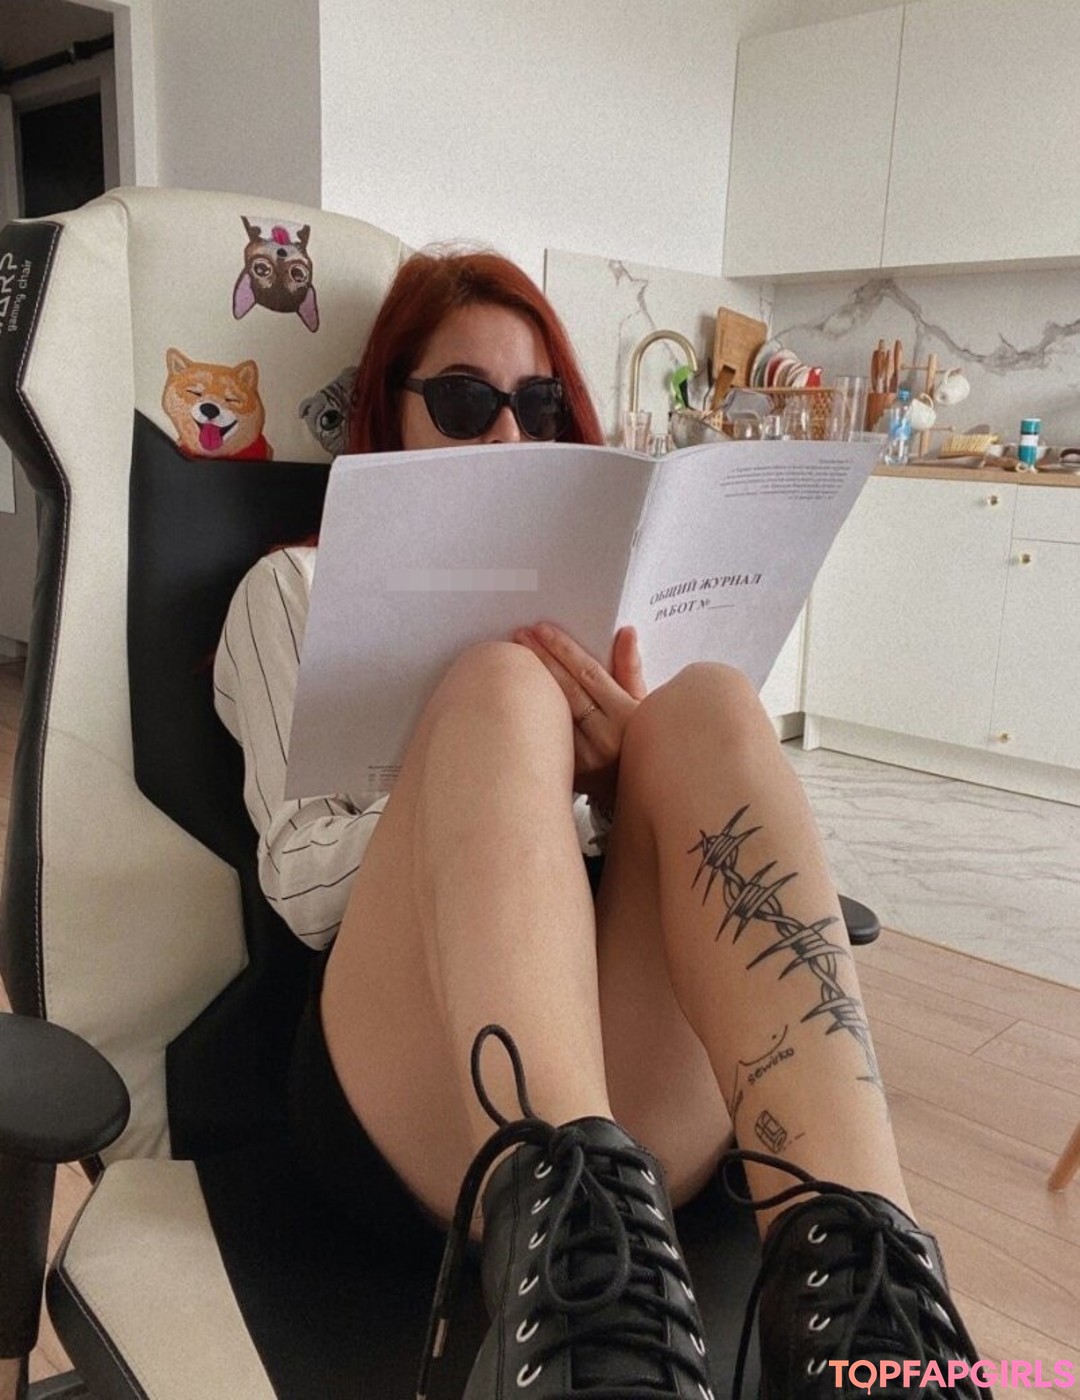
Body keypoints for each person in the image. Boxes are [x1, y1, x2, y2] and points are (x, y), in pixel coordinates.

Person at [214, 248, 986, 1399]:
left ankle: (872, 1299)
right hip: (412, 1084)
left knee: (707, 706)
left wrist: (624, 789)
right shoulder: (293, 587)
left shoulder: (603, 599)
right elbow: (299, 882)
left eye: (537, 405)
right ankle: (579, 1306)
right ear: (391, 409)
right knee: (502, 687)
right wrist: (494, 774)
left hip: (631, 1094)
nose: (507, 436)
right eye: (465, 400)